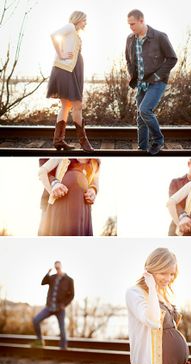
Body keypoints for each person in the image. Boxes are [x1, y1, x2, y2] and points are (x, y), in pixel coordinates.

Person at [126, 247, 190, 364]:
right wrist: (152, 288)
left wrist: (182, 362)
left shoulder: (163, 294)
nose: (168, 279)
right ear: (149, 270)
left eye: (171, 274)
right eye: (163, 273)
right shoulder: (134, 293)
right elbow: (153, 321)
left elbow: (172, 331)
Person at [125, 9, 177, 155]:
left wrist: (156, 76)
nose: (131, 27)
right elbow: (129, 60)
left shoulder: (159, 37)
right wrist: (132, 75)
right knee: (140, 116)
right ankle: (142, 147)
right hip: (141, 83)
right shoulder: (130, 39)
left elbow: (172, 59)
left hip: (157, 82)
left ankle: (158, 140)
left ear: (142, 21)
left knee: (145, 110)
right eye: (129, 24)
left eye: (133, 24)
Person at [47, 10, 94, 152]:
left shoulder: (75, 33)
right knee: (77, 106)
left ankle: (58, 141)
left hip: (71, 70)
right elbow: (53, 35)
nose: (85, 23)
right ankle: (83, 142)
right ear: (78, 19)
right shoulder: (70, 27)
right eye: (84, 20)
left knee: (66, 106)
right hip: (66, 70)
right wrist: (61, 54)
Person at [38, 158, 100, 236]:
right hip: (59, 200)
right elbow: (42, 171)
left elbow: (95, 181)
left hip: (83, 206)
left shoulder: (95, 162)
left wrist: (93, 190)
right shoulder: (64, 156)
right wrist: (53, 187)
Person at [31, 261, 74, 349]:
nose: (57, 269)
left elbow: (72, 295)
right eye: (56, 268)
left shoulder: (69, 280)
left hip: (60, 309)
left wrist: (64, 305)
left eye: (58, 267)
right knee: (36, 320)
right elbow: (43, 283)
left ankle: (63, 348)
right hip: (49, 307)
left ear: (61, 266)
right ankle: (39, 341)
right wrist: (48, 273)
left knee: (62, 329)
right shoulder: (52, 278)